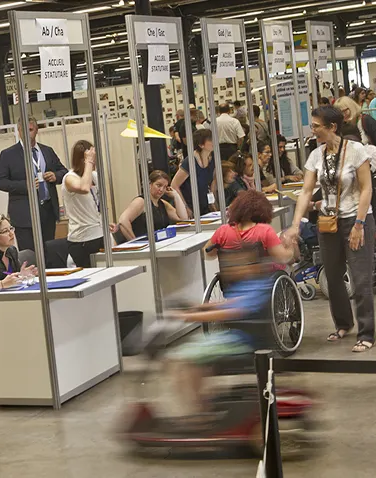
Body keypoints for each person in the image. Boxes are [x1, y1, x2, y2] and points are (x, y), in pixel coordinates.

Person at [165, 190, 293, 411]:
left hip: (231, 295)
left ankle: (201, 410)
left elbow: (208, 252)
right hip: (251, 301)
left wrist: (191, 313)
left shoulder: (224, 231)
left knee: (185, 360)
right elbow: (283, 257)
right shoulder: (264, 232)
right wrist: (290, 245)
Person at [283, 105, 374, 353]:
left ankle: (367, 333)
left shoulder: (356, 151)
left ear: (332, 127)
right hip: (328, 221)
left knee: (361, 277)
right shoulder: (316, 155)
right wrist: (295, 225)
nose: (313, 131)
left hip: (356, 219)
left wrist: (359, 223)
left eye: (316, 126)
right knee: (333, 277)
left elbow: (366, 189)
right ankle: (343, 323)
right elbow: (305, 191)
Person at [0, 116, 68, 252]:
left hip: (47, 210)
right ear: (19, 131)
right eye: (24, 130)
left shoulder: (47, 151)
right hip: (24, 213)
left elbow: (64, 171)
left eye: (31, 130)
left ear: (37, 130)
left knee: (49, 251)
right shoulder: (8, 154)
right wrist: (25, 185)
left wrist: (55, 176)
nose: (28, 134)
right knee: (30, 254)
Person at [62, 141, 107, 268]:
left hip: (99, 233)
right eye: (92, 159)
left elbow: (96, 203)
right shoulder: (69, 178)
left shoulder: (94, 176)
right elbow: (84, 187)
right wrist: (89, 162)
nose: (94, 162)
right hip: (82, 239)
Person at [114, 170, 188, 244]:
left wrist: (176, 196)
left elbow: (183, 219)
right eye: (158, 185)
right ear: (150, 184)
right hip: (144, 246)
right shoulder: (141, 201)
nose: (161, 190)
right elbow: (123, 221)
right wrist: (135, 242)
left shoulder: (163, 204)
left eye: (165, 187)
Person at [171, 129, 217, 218]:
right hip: (191, 205)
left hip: (205, 205)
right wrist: (186, 207)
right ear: (201, 144)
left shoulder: (212, 158)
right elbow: (174, 185)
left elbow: (212, 182)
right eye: (210, 140)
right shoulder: (190, 161)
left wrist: (212, 203)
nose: (214, 141)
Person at [0, 214, 38, 282]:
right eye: (5, 231)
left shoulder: (12, 251)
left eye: (11, 229)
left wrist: (22, 275)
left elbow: (17, 275)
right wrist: (19, 275)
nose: (11, 233)